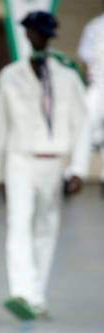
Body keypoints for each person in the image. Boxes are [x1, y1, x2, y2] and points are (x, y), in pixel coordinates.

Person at [0, 11, 90, 321]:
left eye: (42, 32)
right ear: (26, 35)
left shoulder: (67, 76)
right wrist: (0, 173)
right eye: (32, 32)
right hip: (20, 159)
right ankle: (21, 291)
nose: (37, 37)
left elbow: (82, 124)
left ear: (50, 36)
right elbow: (1, 126)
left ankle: (36, 295)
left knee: (46, 228)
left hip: (55, 160)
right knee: (19, 225)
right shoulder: (9, 76)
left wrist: (77, 169)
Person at [77, 11, 104, 195]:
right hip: (97, 84)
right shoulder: (95, 25)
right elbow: (85, 58)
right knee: (84, 126)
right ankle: (76, 172)